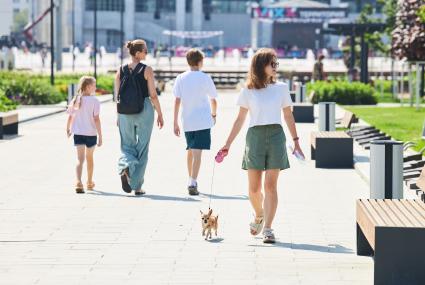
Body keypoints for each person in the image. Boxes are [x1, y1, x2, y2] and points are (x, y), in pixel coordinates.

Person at [220, 48, 304, 243]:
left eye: (276, 64)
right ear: (260, 65)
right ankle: (259, 214)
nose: (275, 67)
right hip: (255, 137)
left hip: (276, 136)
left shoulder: (281, 88)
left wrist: (296, 141)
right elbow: (240, 119)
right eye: (271, 64)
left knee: (270, 186)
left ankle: (268, 228)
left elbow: (288, 115)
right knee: (254, 189)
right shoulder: (247, 91)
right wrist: (227, 144)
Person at [115, 39, 164, 195]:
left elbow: (118, 96)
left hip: (124, 112)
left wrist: (118, 115)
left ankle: (125, 166)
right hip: (144, 110)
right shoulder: (147, 70)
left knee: (126, 145)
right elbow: (153, 94)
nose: (147, 53)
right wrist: (160, 113)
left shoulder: (120, 70)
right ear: (137, 53)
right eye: (145, 51)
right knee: (142, 148)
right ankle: (136, 186)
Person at [173, 48, 218, 195]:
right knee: (197, 153)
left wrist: (175, 122)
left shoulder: (180, 78)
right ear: (200, 62)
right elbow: (213, 99)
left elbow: (177, 101)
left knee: (191, 150)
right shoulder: (205, 77)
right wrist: (214, 114)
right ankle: (192, 182)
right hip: (203, 120)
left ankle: (190, 179)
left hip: (187, 120)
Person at [66, 76, 102, 194]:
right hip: (91, 134)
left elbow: (70, 116)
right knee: (89, 158)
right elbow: (96, 119)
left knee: (80, 159)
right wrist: (100, 136)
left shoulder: (76, 99)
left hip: (78, 133)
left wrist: (68, 129)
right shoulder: (95, 101)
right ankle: (89, 182)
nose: (95, 87)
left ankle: (78, 182)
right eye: (94, 85)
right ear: (88, 87)